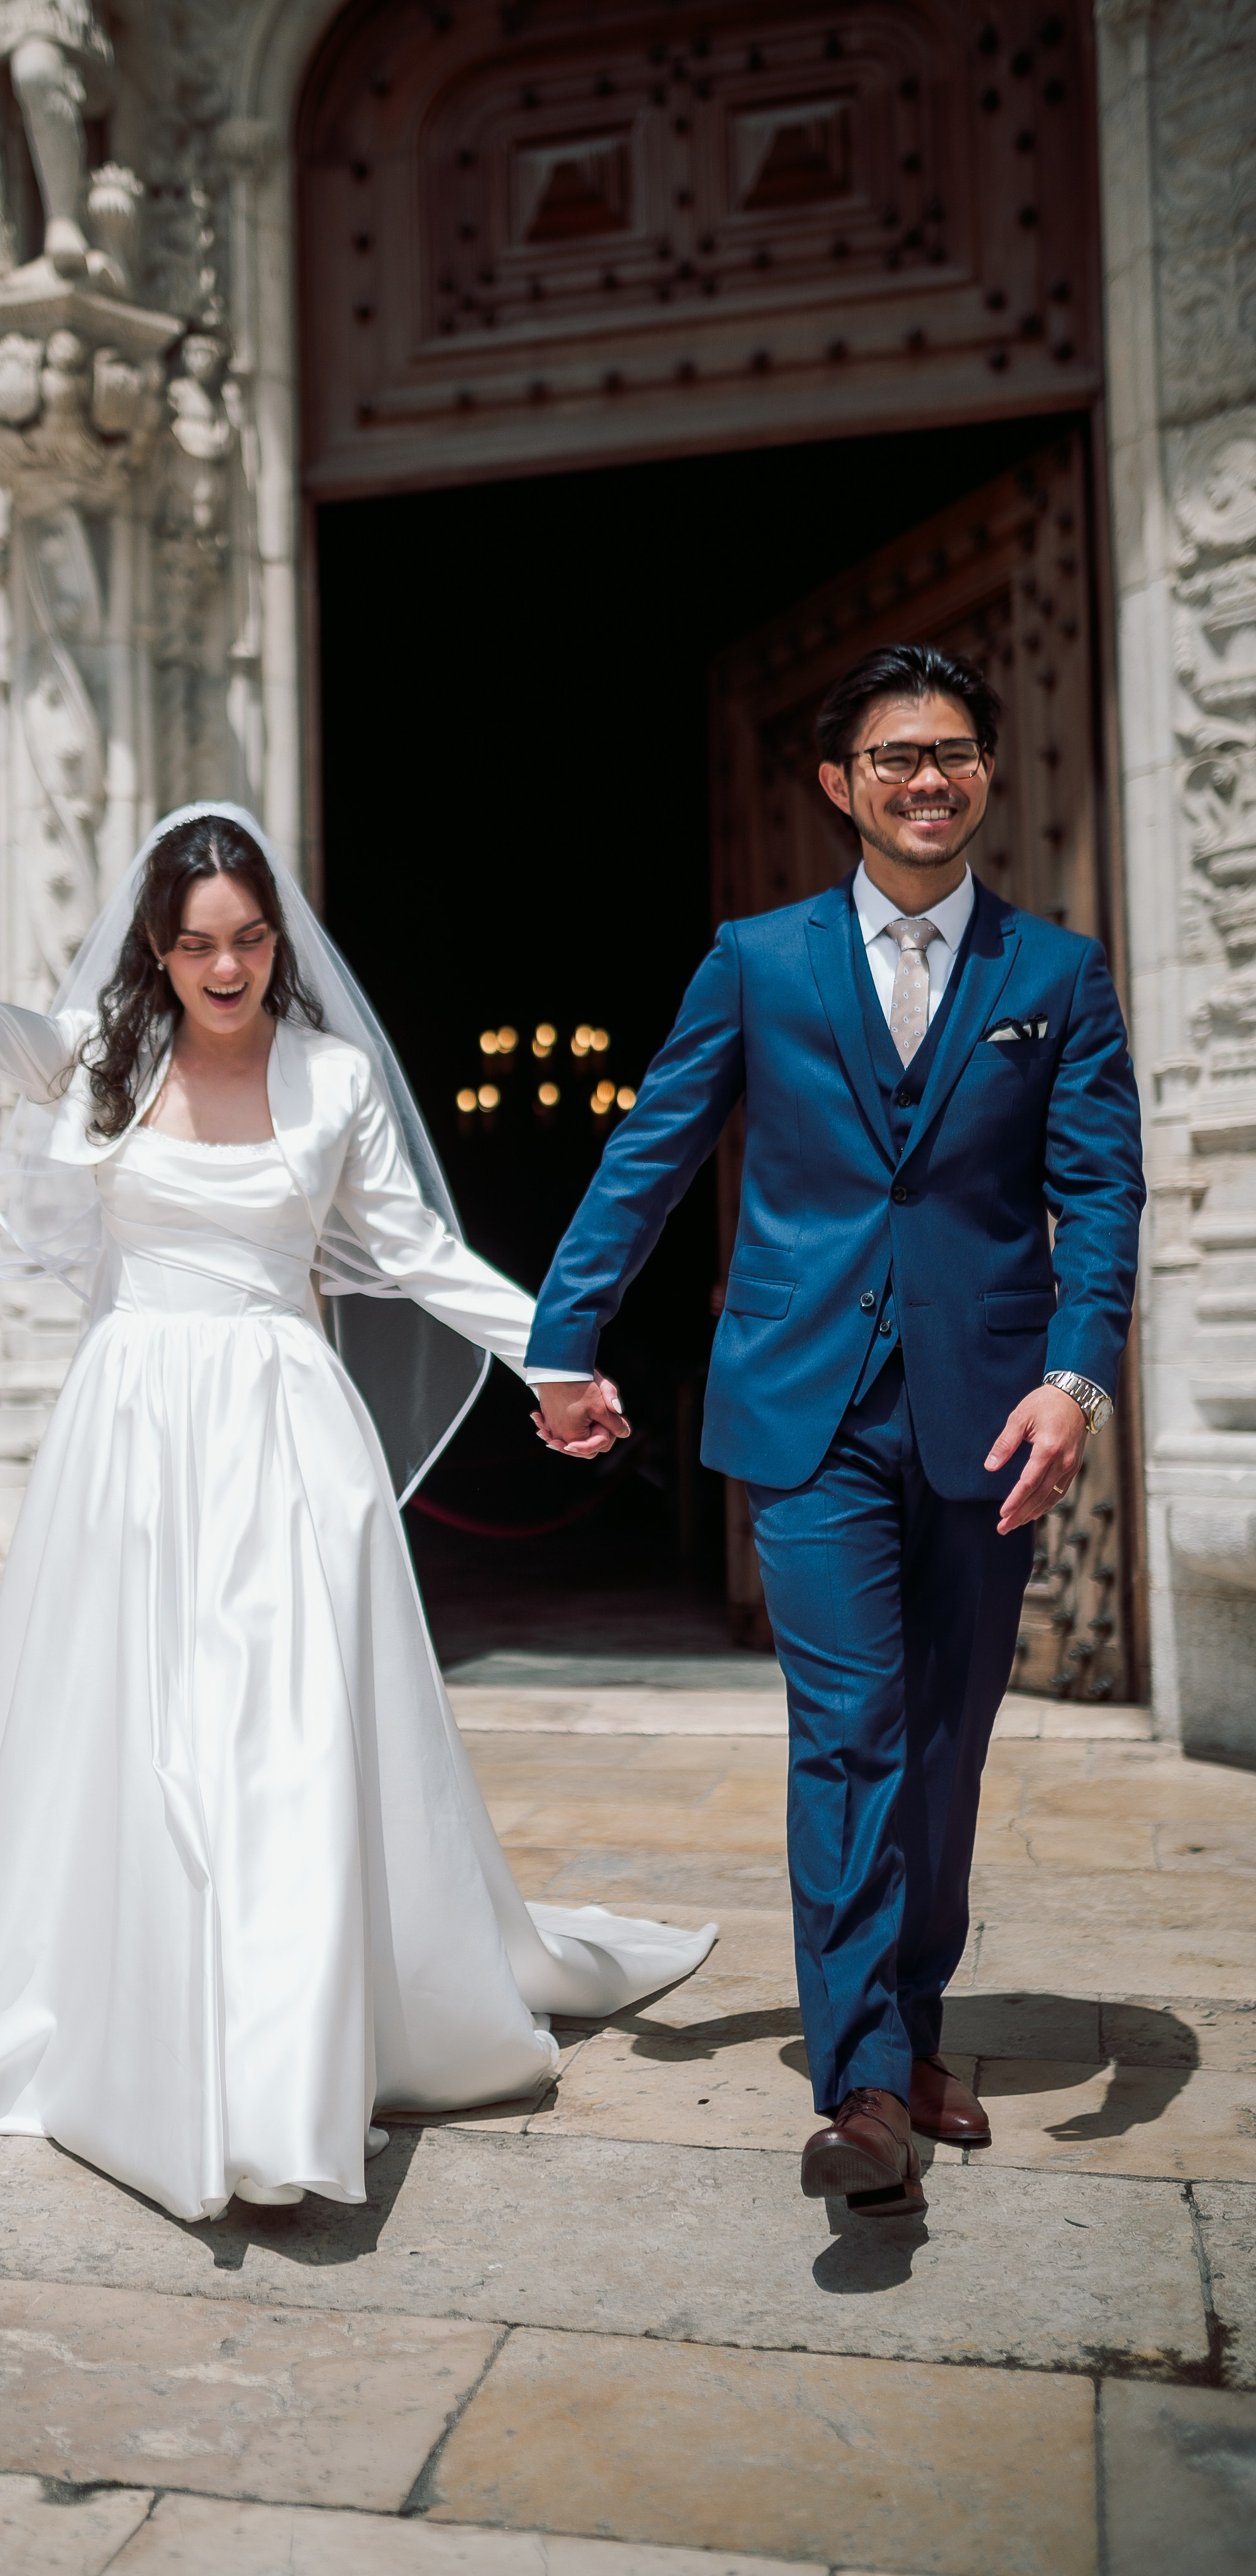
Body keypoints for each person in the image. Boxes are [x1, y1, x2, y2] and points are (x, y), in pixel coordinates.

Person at [0, 734, 716, 2223]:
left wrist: (551, 1356)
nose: (227, 965)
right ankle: (130, 2020)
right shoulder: (93, 1058)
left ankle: (286, 2059)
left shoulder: (329, 1080)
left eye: (249, 937)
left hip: (283, 1427)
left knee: (279, 1727)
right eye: (197, 943)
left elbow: (412, 1252)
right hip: (131, 1426)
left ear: (276, 938)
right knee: (139, 1725)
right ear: (155, 945)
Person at [524, 643, 1145, 2213]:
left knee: (942, 1751)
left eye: (949, 752)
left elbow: (1097, 1190)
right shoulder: (757, 959)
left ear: (984, 772)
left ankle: (913, 2024)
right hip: (803, 1412)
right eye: (891, 758)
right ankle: (861, 2082)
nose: (923, 780)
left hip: (991, 1417)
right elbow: (652, 1150)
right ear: (836, 785)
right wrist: (560, 1338)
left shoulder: (1053, 976)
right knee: (850, 1731)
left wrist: (1074, 1382)